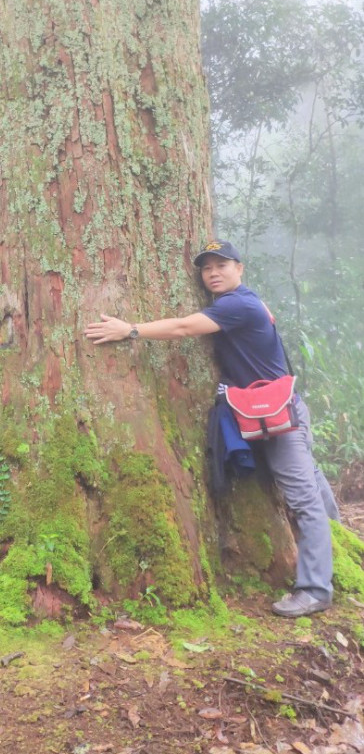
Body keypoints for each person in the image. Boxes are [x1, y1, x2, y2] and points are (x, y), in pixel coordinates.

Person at [84, 238, 340, 619]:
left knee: (302, 498)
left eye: (222, 265)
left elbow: (185, 328)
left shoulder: (239, 304)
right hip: (270, 411)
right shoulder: (243, 302)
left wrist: (131, 330)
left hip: (278, 417)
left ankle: (316, 588)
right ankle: (338, 539)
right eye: (207, 268)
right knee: (309, 480)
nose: (214, 273)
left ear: (240, 269)